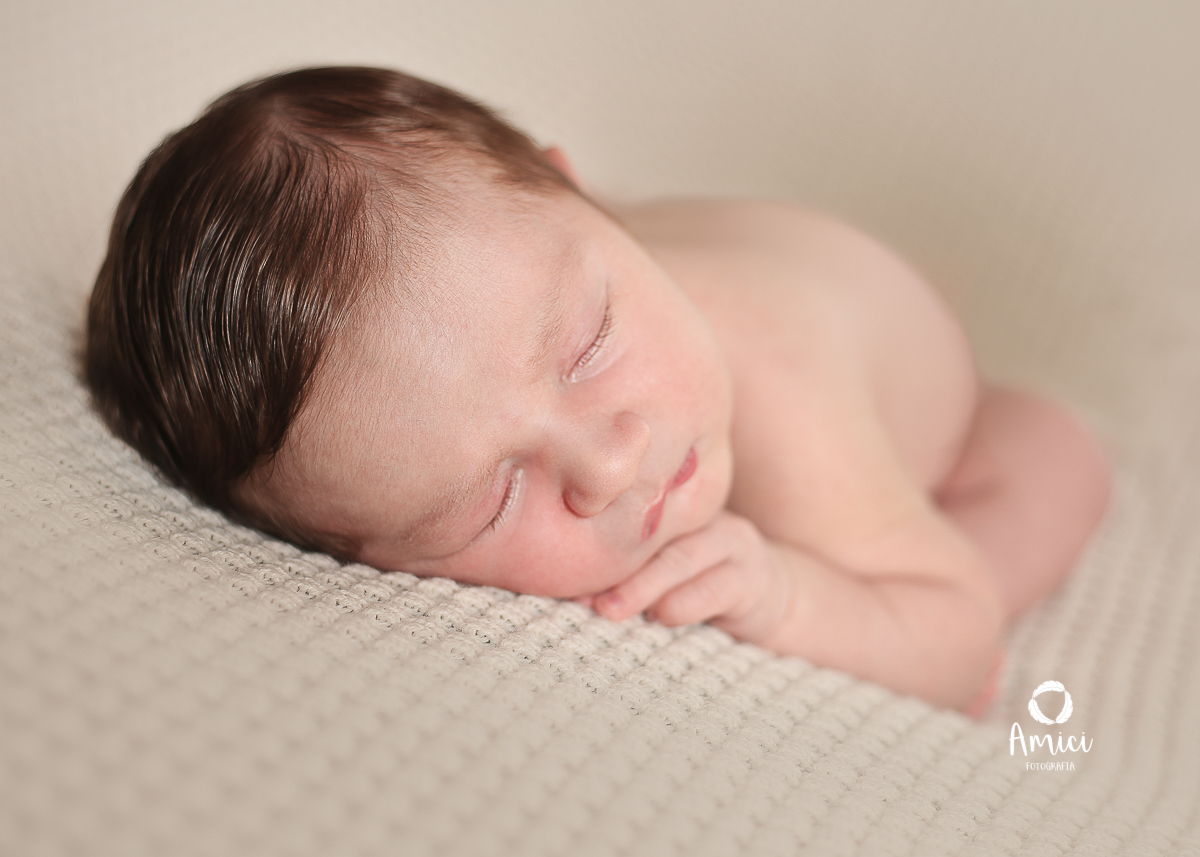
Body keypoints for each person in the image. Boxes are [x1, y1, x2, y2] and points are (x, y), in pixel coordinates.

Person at [86, 66, 1110, 712]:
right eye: (490, 498)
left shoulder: (790, 399)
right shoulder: (536, 277)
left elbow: (959, 631)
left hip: (931, 391)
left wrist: (793, 595)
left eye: (590, 347)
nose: (610, 461)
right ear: (357, 555)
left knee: (1057, 455)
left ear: (573, 184)